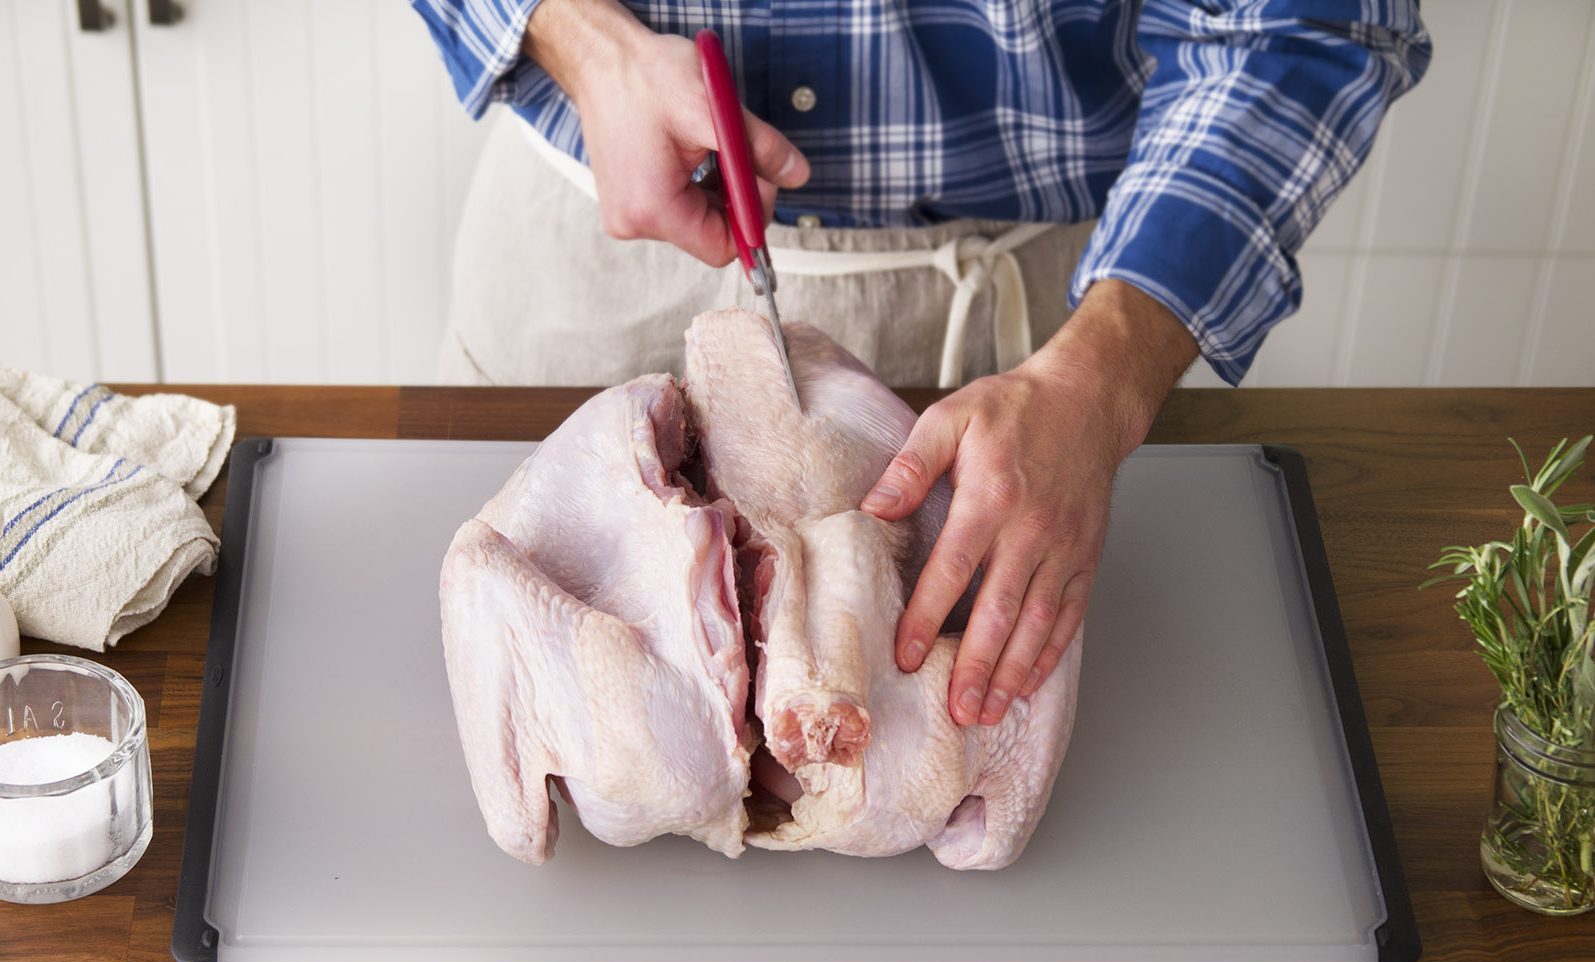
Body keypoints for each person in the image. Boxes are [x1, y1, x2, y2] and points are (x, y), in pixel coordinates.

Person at [414, 0, 1430, 727]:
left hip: (1046, 325)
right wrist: (573, 34)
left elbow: (1306, 19)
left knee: (953, 721)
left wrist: (1101, 376)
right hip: (599, 234)